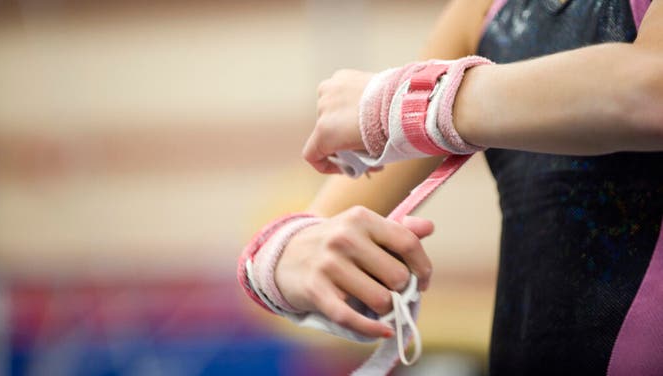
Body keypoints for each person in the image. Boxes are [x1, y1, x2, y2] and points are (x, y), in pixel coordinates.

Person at [239, 0, 663, 374]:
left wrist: (414, 101)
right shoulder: (482, 10)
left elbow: (649, 92)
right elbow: (312, 227)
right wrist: (290, 257)